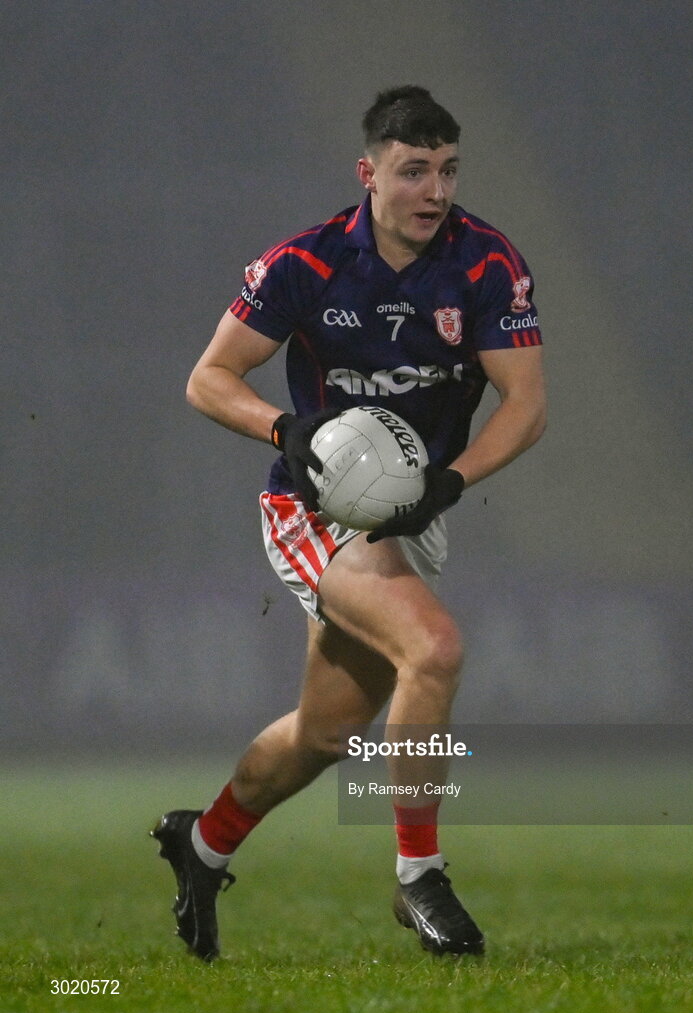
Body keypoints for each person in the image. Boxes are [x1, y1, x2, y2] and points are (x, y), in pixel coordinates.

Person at [152, 85, 546, 961]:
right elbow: (208, 378)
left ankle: (203, 842)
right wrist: (284, 429)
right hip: (314, 507)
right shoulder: (305, 263)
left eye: (446, 170)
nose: (434, 191)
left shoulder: (486, 265)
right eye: (413, 172)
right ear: (369, 174)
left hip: (407, 513)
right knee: (433, 649)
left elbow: (526, 403)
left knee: (326, 732)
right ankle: (419, 878)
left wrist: (451, 480)